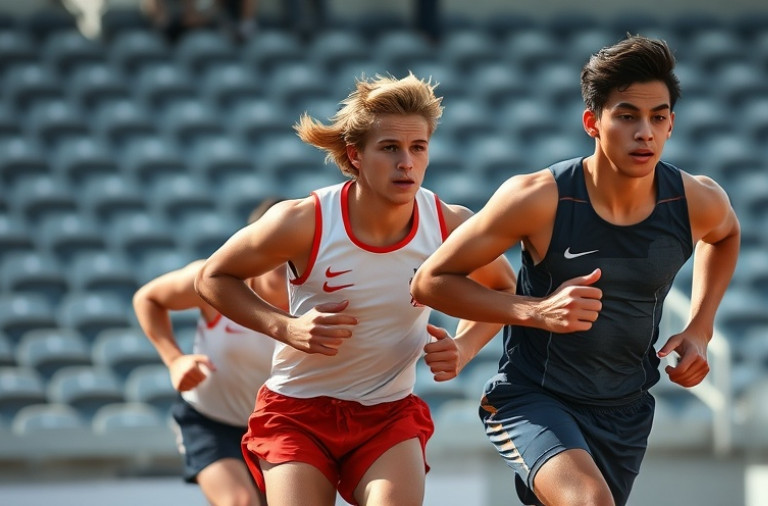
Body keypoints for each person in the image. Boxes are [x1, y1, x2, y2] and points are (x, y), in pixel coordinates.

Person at [410, 35, 741, 506]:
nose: (644, 131)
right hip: (530, 399)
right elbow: (430, 281)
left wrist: (701, 327)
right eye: (627, 116)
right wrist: (537, 311)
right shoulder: (538, 198)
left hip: (625, 409)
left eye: (658, 117)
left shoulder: (694, 201)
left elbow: (726, 236)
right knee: (588, 501)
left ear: (671, 125)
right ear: (593, 122)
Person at [194, 73, 516, 506]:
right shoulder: (304, 220)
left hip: (388, 413)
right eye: (389, 148)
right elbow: (211, 278)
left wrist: (464, 347)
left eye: (418, 148)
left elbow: (502, 286)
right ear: (355, 155)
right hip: (298, 412)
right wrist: (286, 328)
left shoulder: (448, 223)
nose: (407, 162)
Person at [132, 197, 287, 506]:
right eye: (278, 240)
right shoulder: (216, 280)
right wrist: (174, 360)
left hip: (279, 425)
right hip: (209, 419)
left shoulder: (324, 294)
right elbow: (147, 298)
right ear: (255, 242)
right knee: (240, 502)